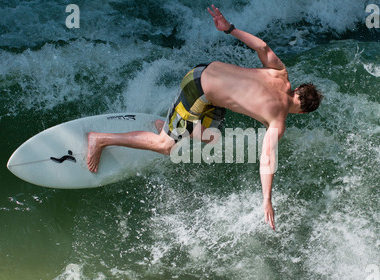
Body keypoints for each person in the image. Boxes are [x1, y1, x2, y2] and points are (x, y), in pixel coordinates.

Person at [87, 4, 323, 230]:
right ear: (302, 111)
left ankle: (170, 124)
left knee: (212, 137)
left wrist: (229, 28)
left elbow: (261, 46)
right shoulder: (278, 121)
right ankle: (101, 139)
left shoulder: (280, 73)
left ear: (297, 90)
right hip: (198, 90)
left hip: (204, 71)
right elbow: (267, 160)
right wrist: (267, 200)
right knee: (165, 147)